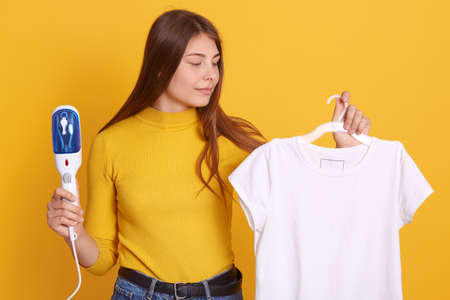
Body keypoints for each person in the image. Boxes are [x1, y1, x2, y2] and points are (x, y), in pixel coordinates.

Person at [46, 9, 371, 300]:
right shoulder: (110, 143)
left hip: (219, 294)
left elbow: (309, 207)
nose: (211, 75)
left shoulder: (229, 140)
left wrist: (346, 148)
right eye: (196, 62)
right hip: (138, 294)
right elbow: (101, 260)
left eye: (215, 63)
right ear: (161, 67)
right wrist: (70, 232)